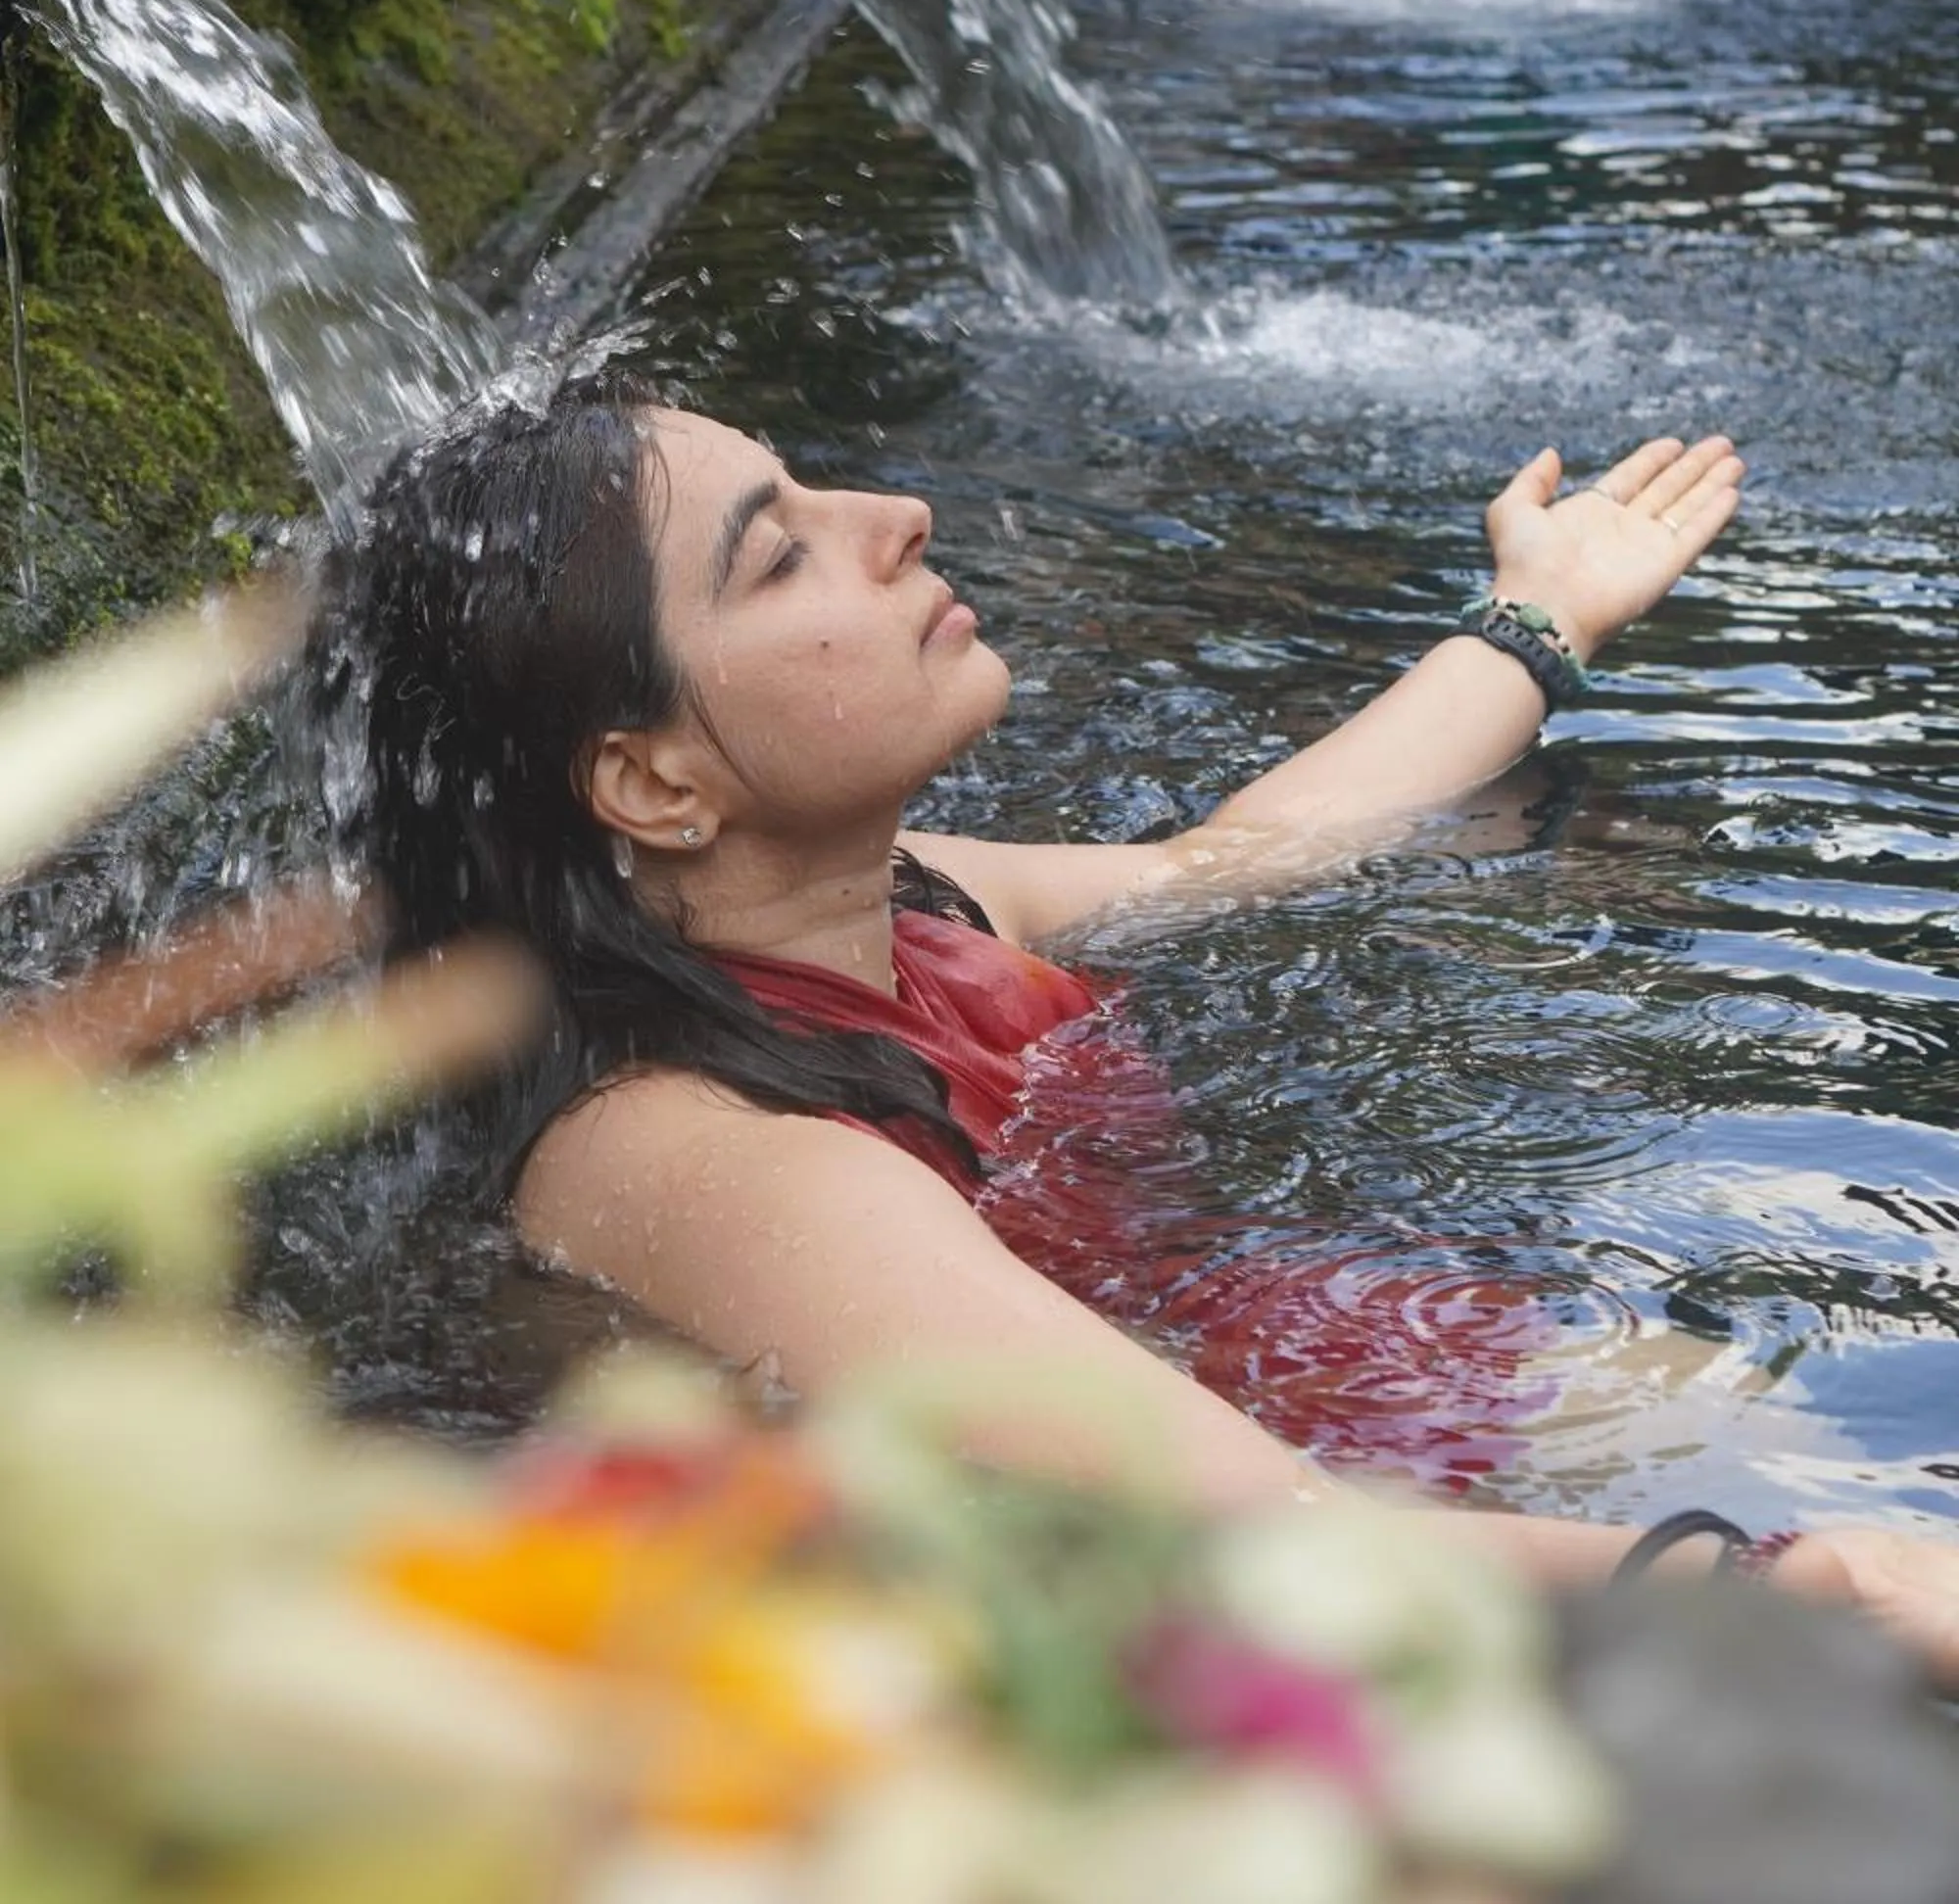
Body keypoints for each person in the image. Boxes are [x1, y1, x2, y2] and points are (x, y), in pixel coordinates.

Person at [330, 374, 1959, 1683]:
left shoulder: (913, 899)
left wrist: (1536, 619)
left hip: (1257, 1367)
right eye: (782, 553)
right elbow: (1239, 1541)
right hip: (1135, 1595)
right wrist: (1808, 1596)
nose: (895, 517)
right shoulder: (709, 1155)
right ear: (654, 783)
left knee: (1842, 1454)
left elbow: (1238, 855)